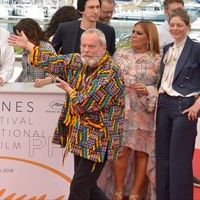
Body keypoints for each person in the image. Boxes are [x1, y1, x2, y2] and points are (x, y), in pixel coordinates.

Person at [8, 28, 125, 200]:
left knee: (79, 186)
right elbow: (53, 61)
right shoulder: (78, 61)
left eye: (91, 46)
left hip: (99, 139)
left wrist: (70, 90)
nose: (86, 50)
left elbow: (86, 103)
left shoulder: (111, 72)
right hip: (79, 134)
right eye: (83, 46)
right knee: (88, 186)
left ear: (104, 47)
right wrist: (29, 46)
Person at [155, 8, 200, 200]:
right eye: (172, 25)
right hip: (163, 106)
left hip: (184, 108)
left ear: (188, 27)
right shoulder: (168, 49)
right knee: (163, 161)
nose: (175, 29)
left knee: (179, 162)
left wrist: (199, 102)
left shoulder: (197, 49)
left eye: (179, 25)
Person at [99, 21, 162, 200]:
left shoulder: (158, 59)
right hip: (122, 110)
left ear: (149, 38)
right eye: (133, 32)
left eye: (139, 33)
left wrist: (148, 90)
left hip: (144, 111)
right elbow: (109, 79)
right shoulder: (121, 54)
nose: (133, 35)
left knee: (142, 152)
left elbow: (161, 87)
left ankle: (135, 194)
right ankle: (118, 191)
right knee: (121, 151)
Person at [51, 0, 116, 55]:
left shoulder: (108, 31)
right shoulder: (65, 29)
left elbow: (111, 57)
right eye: (91, 7)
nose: (95, 11)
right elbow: (51, 53)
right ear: (81, 10)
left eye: (98, 7)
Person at [12, 18, 56, 87]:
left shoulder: (46, 47)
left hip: (41, 91)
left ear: (30, 33)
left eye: (21, 36)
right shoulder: (26, 50)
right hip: (26, 89)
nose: (19, 39)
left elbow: (53, 74)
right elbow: (25, 72)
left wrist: (43, 81)